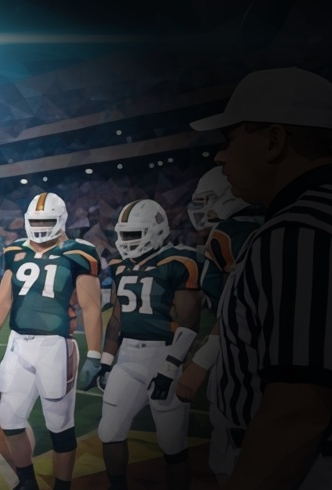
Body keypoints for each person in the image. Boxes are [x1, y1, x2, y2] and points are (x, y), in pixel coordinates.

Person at [189, 66, 332, 489]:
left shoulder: (300, 230)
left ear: (273, 140)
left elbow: (299, 408)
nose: (219, 157)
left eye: (230, 140)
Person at [0, 192, 103, 490]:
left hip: (56, 346)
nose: (39, 226)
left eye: (46, 220)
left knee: (58, 425)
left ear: (61, 220)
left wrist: (96, 354)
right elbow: (4, 297)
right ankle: (27, 481)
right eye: (35, 221)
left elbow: (91, 307)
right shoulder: (16, 249)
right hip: (18, 343)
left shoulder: (80, 252)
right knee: (10, 420)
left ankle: (62, 486)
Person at [94, 199, 202, 490]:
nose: (126, 242)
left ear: (156, 230)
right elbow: (116, 318)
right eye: (123, 234)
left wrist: (170, 367)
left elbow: (190, 321)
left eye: (134, 234)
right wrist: (106, 361)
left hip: (164, 354)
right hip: (128, 356)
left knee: (172, 444)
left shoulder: (178, 261)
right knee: (109, 431)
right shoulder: (119, 266)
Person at [175, 167, 263, 484]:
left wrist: (199, 363)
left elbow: (235, 307)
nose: (202, 209)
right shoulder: (258, 225)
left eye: (208, 200)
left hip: (245, 367)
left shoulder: (229, 234)